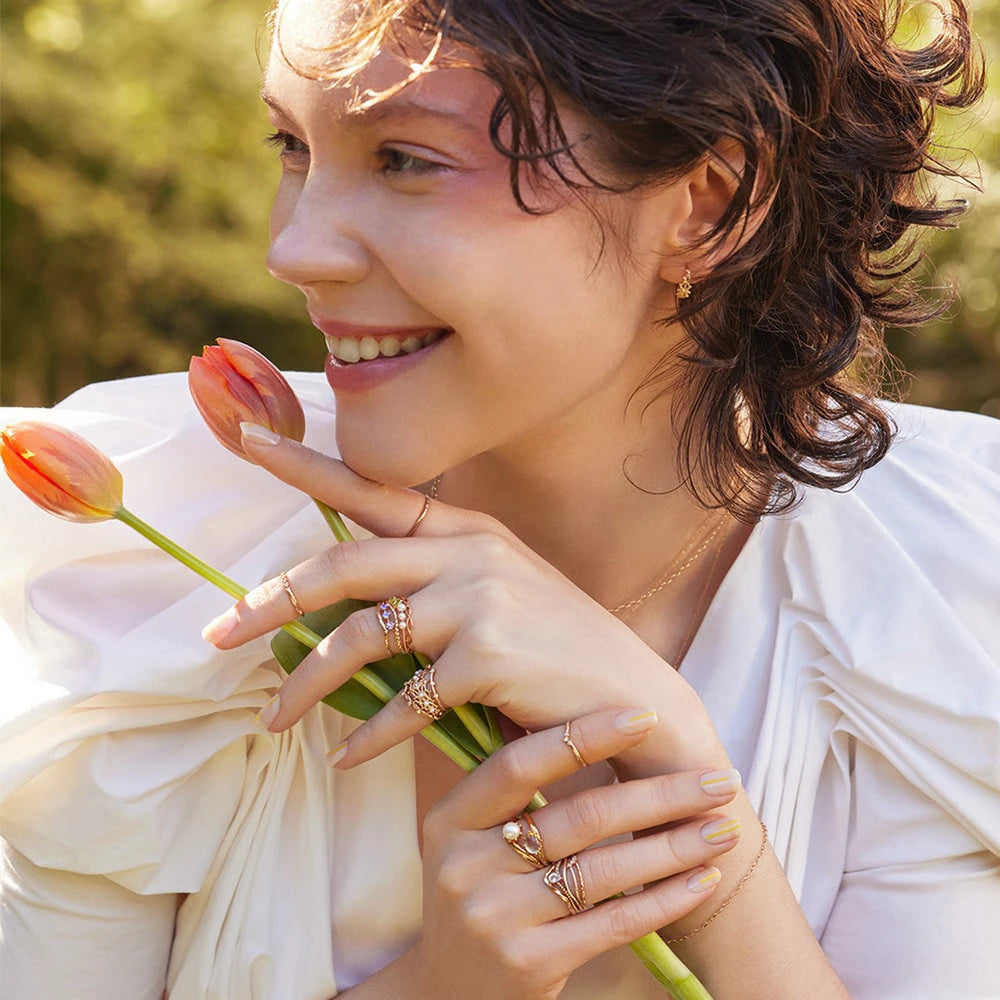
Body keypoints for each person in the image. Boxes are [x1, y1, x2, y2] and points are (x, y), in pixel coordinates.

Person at [1, 0, 998, 997]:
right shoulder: (160, 566)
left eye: (405, 158)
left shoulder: (938, 590)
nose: (295, 250)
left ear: (706, 205)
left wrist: (718, 874)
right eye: (292, 145)